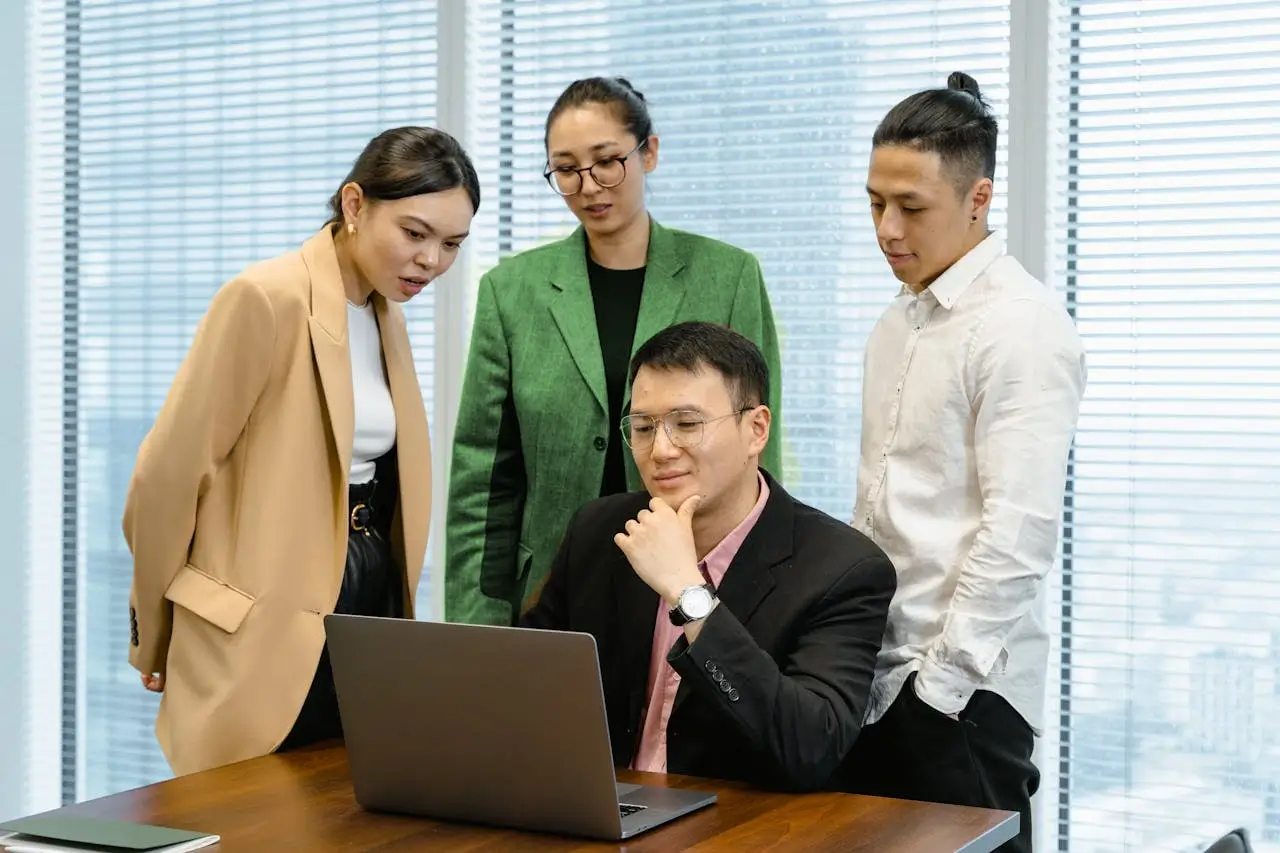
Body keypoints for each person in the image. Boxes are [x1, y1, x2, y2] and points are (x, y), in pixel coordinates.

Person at [123, 126, 480, 776]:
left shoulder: (385, 314)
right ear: (354, 204)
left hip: (366, 600)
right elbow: (165, 478)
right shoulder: (267, 298)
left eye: (452, 243)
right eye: (415, 232)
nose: (431, 260)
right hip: (263, 621)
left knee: (347, 809)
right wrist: (155, 629)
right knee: (245, 813)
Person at [840, 73, 1086, 852]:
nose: (887, 228)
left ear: (979, 199)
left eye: (911, 207)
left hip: (962, 702)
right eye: (875, 202)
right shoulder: (896, 322)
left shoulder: (1022, 326)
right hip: (876, 682)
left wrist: (937, 691)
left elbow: (1018, 535)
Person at [445, 76, 784, 627]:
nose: (589, 186)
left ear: (648, 153)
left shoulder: (728, 275)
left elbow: (758, 449)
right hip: (552, 585)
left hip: (695, 574)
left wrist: (757, 604)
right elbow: (484, 477)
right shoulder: (511, 291)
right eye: (566, 169)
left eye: (607, 161)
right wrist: (475, 622)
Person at [521, 321, 895, 792]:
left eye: (687, 425)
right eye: (643, 427)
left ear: (756, 429)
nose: (660, 450)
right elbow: (523, 682)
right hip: (604, 806)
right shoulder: (601, 531)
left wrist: (687, 592)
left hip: (737, 821)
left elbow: (809, 748)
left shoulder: (842, 569)